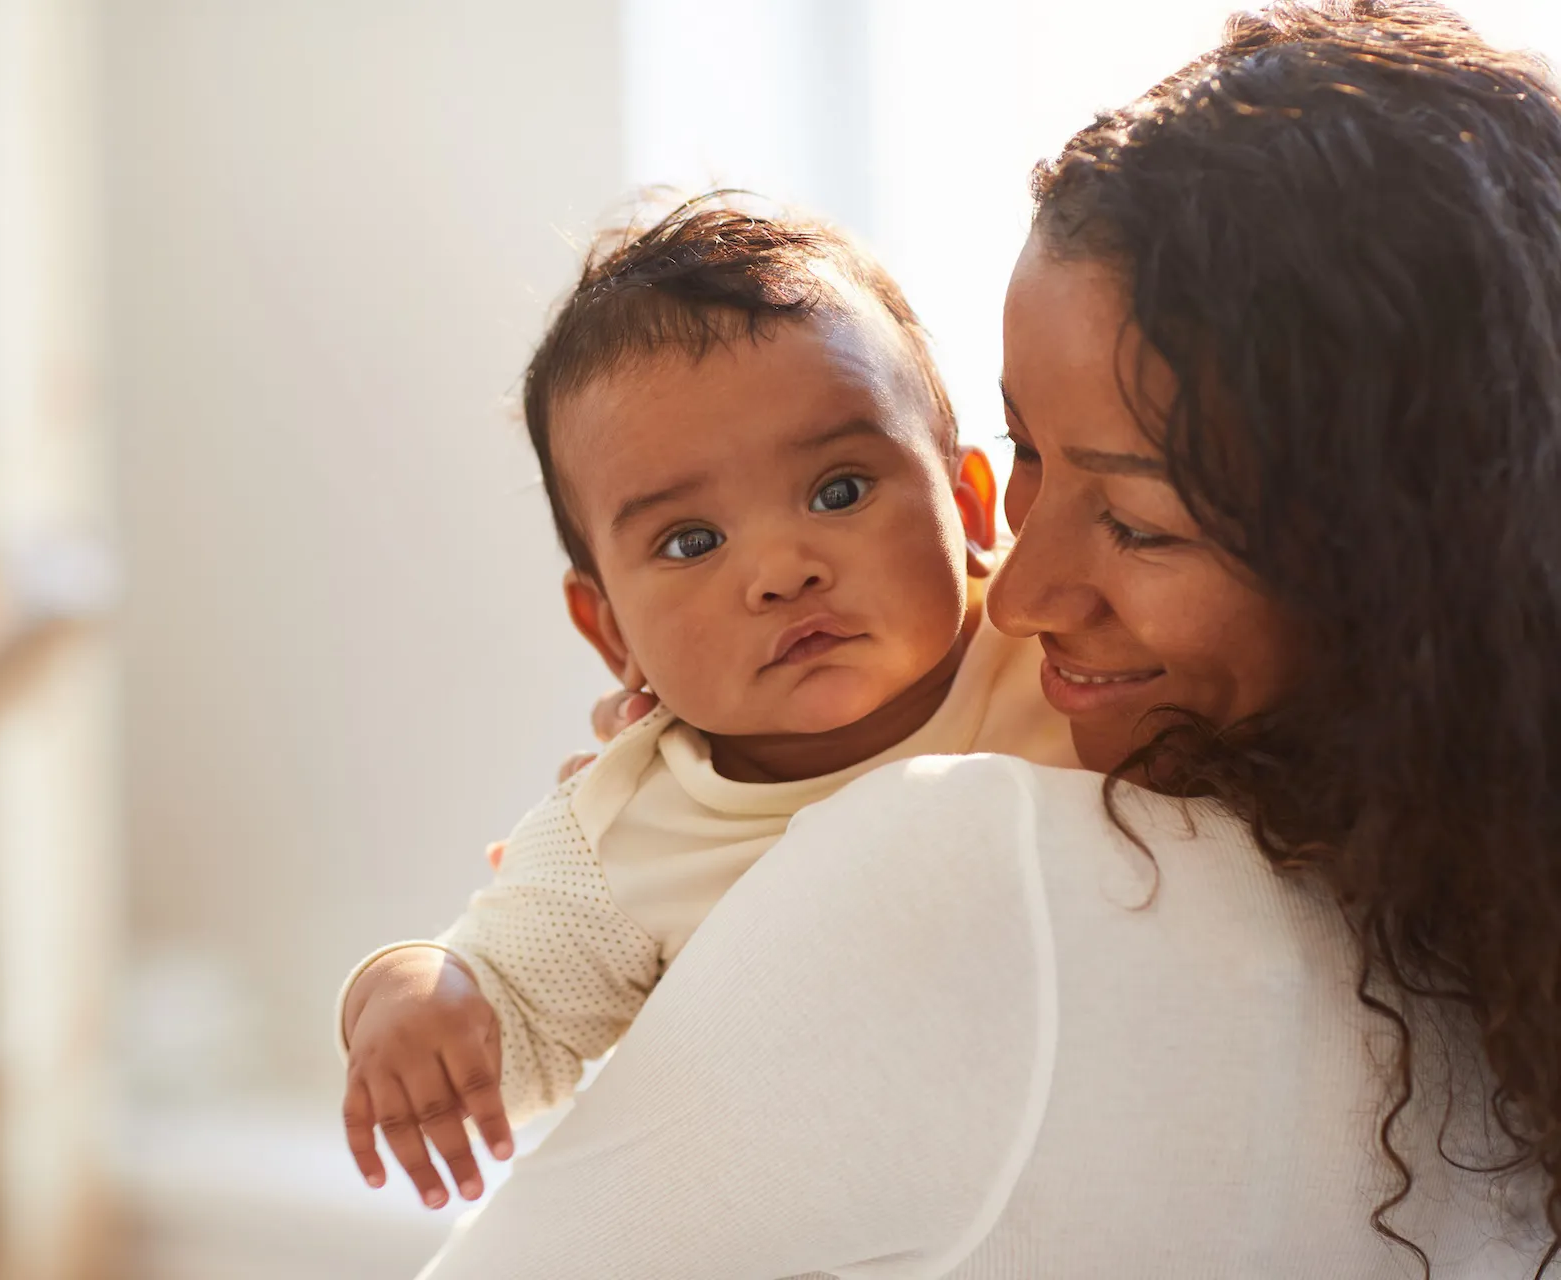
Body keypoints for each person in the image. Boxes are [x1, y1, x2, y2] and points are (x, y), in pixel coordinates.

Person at [414, 3, 1561, 1275]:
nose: (1013, 592)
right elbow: (511, 997)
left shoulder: (962, 850)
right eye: (1028, 453)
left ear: (1401, 563)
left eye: (1135, 520)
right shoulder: (1486, 930)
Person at [338, 201, 1078, 1210]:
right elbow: (514, 1012)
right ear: (611, 633)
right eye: (691, 542)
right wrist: (413, 992)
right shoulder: (627, 823)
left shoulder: (1062, 653)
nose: (781, 570)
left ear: (970, 503)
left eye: (840, 488)